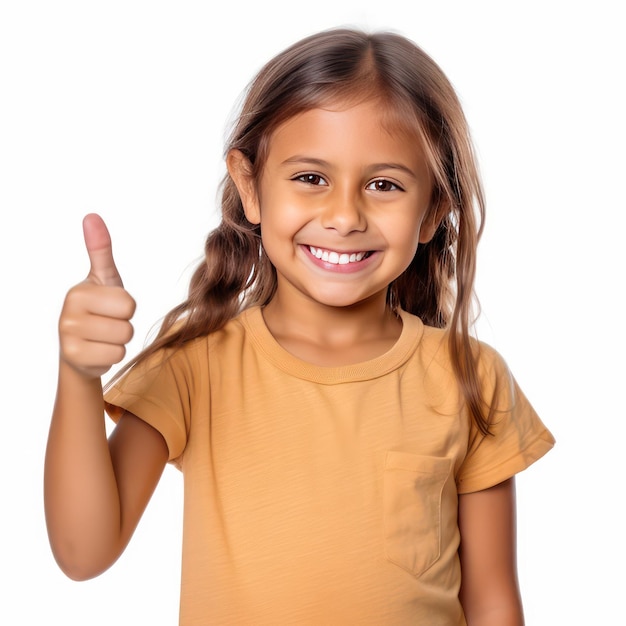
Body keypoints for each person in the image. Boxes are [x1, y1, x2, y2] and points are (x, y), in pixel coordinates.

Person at [44, 27, 555, 625]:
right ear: (249, 185)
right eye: (311, 178)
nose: (344, 216)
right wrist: (78, 374)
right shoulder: (195, 370)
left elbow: (492, 601)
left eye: (384, 185)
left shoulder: (471, 377)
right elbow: (83, 552)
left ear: (432, 211)